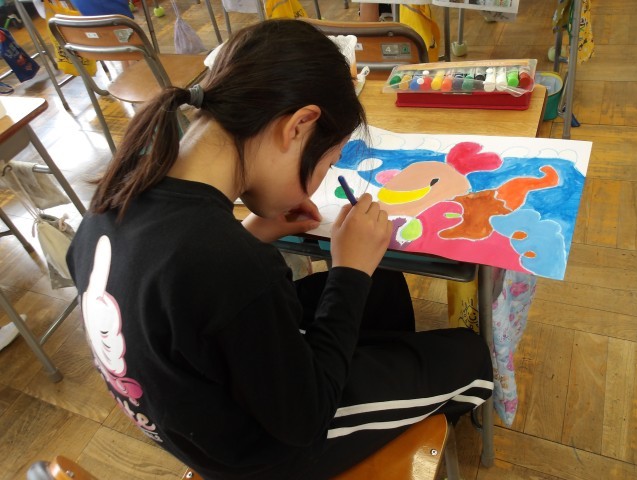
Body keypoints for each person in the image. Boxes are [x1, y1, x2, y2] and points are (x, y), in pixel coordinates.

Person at [67, 19, 493, 480]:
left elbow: (179, 295)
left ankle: (381, 382)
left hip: (198, 410)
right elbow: (305, 418)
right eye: (328, 162)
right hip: (269, 451)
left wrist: (253, 231)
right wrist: (349, 272)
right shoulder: (232, 264)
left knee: (382, 286)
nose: (318, 180)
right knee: (468, 354)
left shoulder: (118, 197)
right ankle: (394, 423)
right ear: (299, 126)